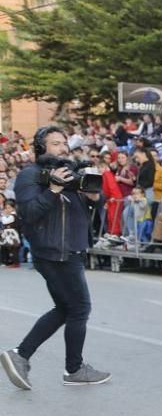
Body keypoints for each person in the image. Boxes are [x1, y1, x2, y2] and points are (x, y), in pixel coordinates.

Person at [1, 126, 111, 390]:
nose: (62, 148)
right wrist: (52, 189)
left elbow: (93, 203)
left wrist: (94, 195)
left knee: (65, 309)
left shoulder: (72, 175)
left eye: (64, 143)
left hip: (70, 249)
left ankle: (20, 355)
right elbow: (28, 214)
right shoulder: (29, 176)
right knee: (80, 308)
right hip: (54, 252)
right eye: (54, 144)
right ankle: (73, 369)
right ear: (41, 148)